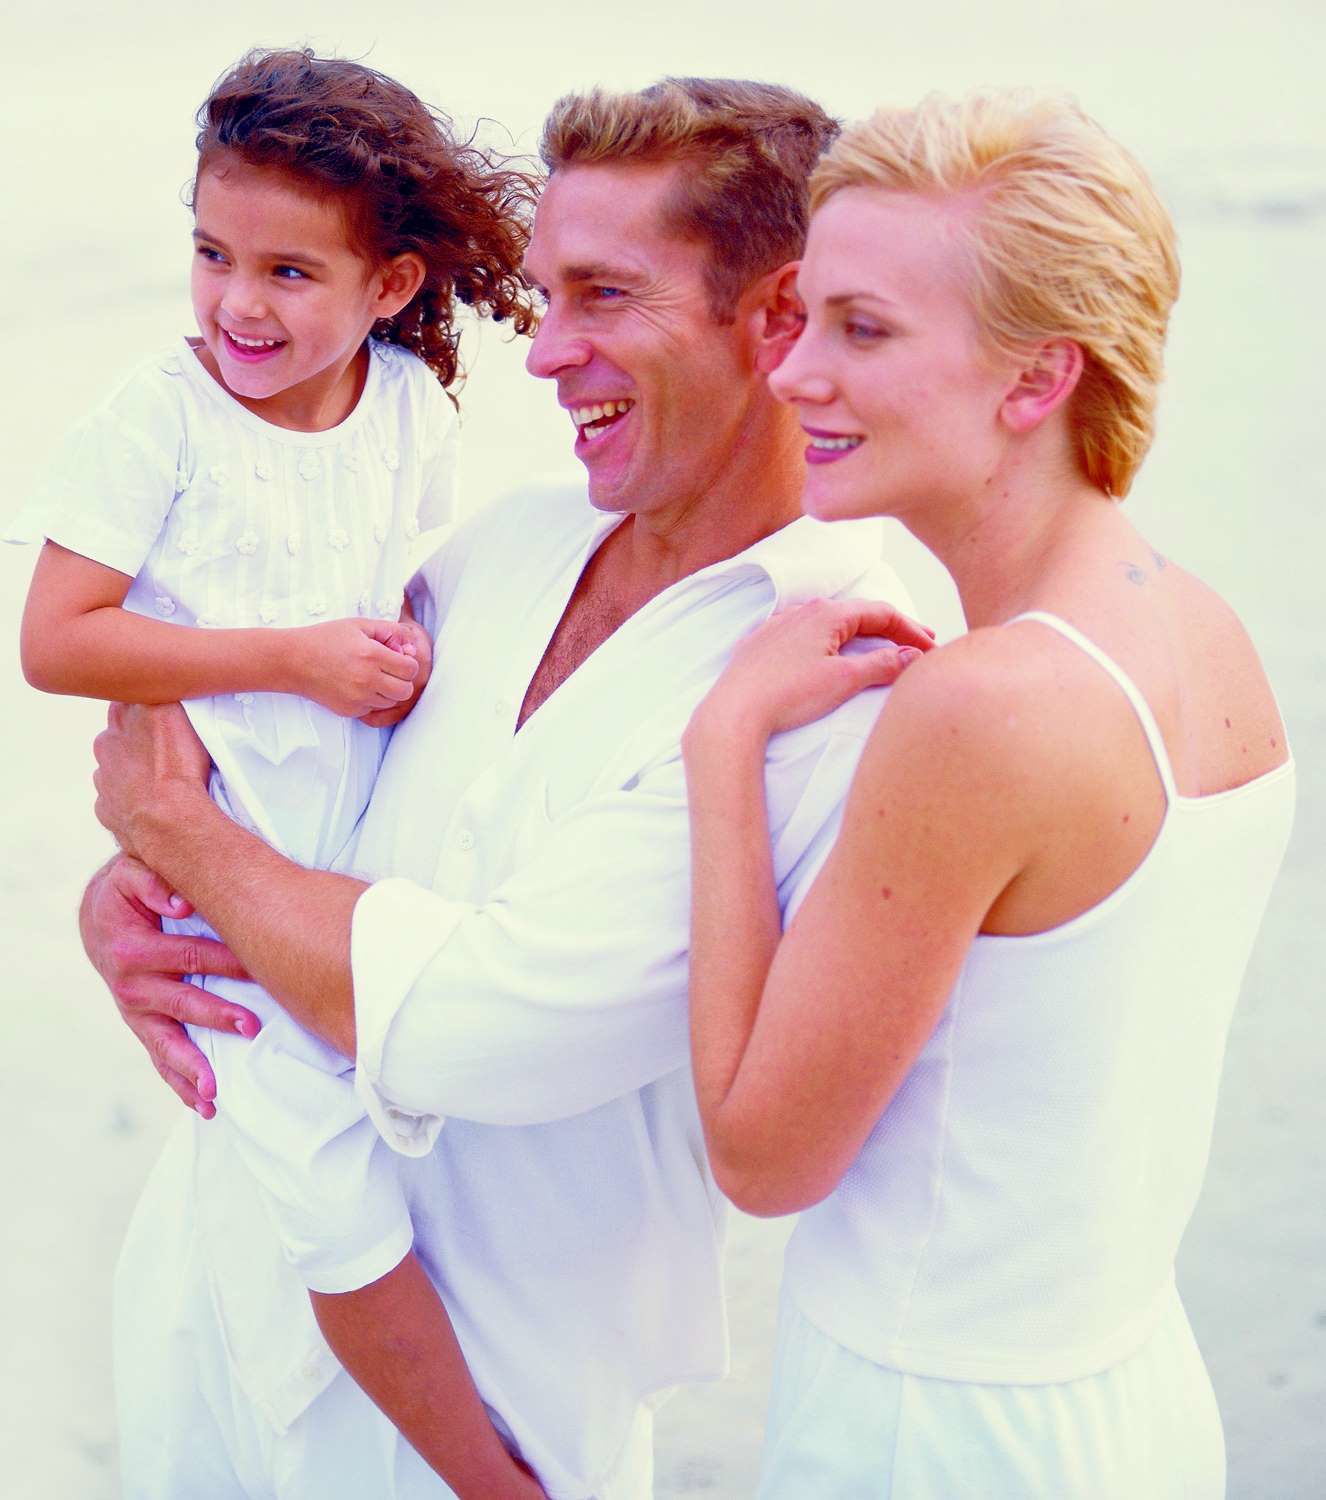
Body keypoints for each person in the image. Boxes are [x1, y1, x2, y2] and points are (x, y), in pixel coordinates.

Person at [81, 78, 930, 1498]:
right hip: (215, 1299)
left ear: (780, 316)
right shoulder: (508, 546)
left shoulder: (834, 675)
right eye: (545, 294)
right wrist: (132, 901)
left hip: (489, 1425)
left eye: (605, 295)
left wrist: (171, 831)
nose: (545, 352)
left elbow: (471, 1030)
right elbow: (274, 782)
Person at [680, 89, 1295, 1498]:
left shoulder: (982, 706)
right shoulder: (1201, 630)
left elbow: (761, 1159)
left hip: (934, 1427)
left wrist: (725, 744)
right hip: (1133, 1395)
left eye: (863, 330)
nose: (792, 374)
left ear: (1033, 381)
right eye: (805, 316)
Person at [13, 49, 545, 1499]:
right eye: (211, 254)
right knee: (325, 1193)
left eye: (290, 272)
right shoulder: (158, 417)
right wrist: (292, 660)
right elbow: (57, 641)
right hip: (214, 856)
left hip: (355, 854)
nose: (237, 304)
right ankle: (482, 1473)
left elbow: (395, 602)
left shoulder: (409, 408)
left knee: (394, 1147)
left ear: (390, 284)